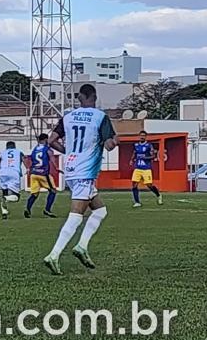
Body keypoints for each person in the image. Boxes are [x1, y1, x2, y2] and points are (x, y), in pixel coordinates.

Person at [43, 84, 117, 275]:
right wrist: (115, 140)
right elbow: (109, 145)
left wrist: (69, 152)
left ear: (80, 98)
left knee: (100, 211)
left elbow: (51, 141)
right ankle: (54, 254)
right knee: (76, 216)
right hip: (85, 172)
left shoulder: (68, 117)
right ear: (94, 96)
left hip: (71, 169)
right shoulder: (100, 117)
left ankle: (82, 246)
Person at [25, 133, 58, 218]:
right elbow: (52, 158)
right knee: (53, 191)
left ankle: (27, 209)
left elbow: (32, 159)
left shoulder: (35, 149)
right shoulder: (47, 149)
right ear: (46, 139)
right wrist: (56, 168)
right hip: (43, 173)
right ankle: (47, 210)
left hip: (34, 173)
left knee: (34, 194)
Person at [0, 141, 27, 220]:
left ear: (6, 147)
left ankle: (4, 212)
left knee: (3, 193)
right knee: (16, 197)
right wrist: (28, 169)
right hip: (14, 173)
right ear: (14, 146)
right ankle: (6, 198)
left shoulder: (1, 153)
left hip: (2, 173)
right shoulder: (19, 152)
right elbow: (24, 160)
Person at [130, 131, 162, 207]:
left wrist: (145, 158)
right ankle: (137, 202)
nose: (142, 137)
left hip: (146, 168)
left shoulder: (149, 145)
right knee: (134, 185)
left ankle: (158, 195)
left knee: (149, 185)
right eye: (141, 135)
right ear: (139, 136)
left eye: (143, 136)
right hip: (137, 168)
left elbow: (153, 156)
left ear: (146, 137)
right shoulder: (136, 145)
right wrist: (131, 160)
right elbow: (134, 153)